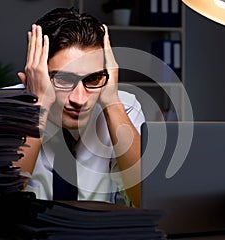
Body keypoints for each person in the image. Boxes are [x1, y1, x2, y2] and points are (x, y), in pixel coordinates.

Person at [13, 7, 145, 207]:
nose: (79, 99)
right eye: (63, 79)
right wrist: (38, 106)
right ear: (37, 72)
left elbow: (143, 199)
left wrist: (111, 103)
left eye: (93, 79)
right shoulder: (1, 108)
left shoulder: (123, 109)